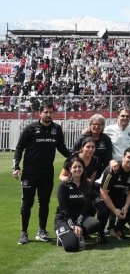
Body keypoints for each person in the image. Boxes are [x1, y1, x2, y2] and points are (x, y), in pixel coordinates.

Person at [13, 102, 71, 245]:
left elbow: (62, 149)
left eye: (51, 112)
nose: (48, 115)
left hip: (47, 174)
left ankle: (42, 230)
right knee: (27, 203)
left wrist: (76, 157)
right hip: (29, 173)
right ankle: (24, 232)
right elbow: (19, 148)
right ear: (40, 113)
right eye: (46, 112)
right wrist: (16, 166)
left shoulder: (56, 129)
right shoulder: (30, 129)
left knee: (44, 202)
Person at [53, 157, 102, 251]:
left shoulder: (87, 185)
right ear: (70, 169)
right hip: (64, 218)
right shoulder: (63, 185)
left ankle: (77, 233)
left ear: (83, 168)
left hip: (79, 217)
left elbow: (86, 206)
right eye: (74, 167)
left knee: (95, 224)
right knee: (71, 246)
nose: (77, 169)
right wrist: (72, 225)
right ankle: (62, 235)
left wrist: (78, 223)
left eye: (80, 167)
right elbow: (64, 209)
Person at [95, 148, 130, 242]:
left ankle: (117, 229)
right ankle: (100, 233)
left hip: (116, 193)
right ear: (123, 157)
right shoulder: (112, 170)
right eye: (128, 157)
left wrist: (126, 207)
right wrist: (115, 210)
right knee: (104, 210)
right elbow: (103, 192)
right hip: (99, 193)